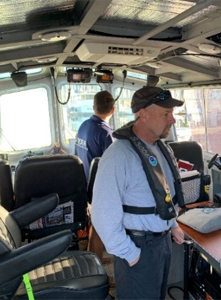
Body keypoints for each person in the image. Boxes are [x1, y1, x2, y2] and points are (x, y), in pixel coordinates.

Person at [91, 86, 187, 300]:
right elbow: (103, 216)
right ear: (143, 114)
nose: (172, 120)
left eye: (171, 113)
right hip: (138, 247)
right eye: (166, 114)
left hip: (162, 245)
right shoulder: (118, 156)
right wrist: (131, 255)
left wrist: (172, 225)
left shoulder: (162, 149)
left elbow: (163, 195)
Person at [75, 90, 115, 266]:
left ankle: (95, 256)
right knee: (99, 228)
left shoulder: (83, 126)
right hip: (99, 188)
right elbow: (114, 165)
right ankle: (96, 266)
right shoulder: (106, 133)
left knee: (95, 225)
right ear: (112, 110)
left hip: (84, 183)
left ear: (93, 107)